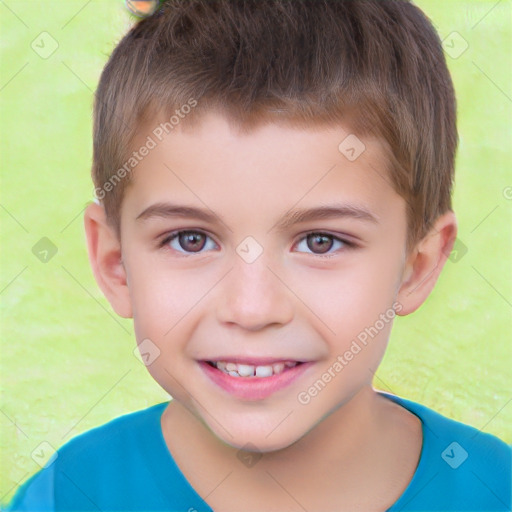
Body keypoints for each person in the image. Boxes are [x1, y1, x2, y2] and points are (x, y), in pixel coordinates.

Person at [5, 1, 511, 510]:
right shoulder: (67, 496)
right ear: (115, 263)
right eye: (191, 240)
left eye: (321, 241)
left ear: (416, 266)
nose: (251, 309)